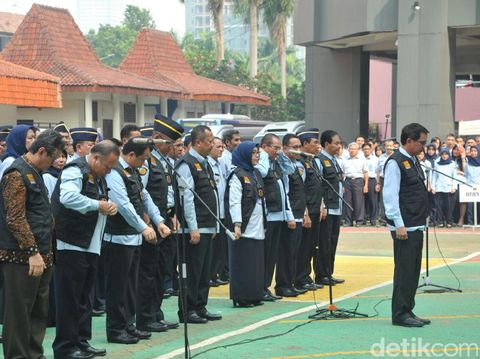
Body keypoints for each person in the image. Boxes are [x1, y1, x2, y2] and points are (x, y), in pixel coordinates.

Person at [52, 141, 120, 359]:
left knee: (84, 298)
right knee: (70, 298)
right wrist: (97, 205)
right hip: (70, 242)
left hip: (89, 243)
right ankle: (65, 347)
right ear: (96, 158)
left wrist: (106, 206)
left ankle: (81, 341)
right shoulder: (75, 170)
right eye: (108, 166)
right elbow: (67, 197)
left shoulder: (97, 175)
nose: (109, 171)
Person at [0, 130, 65, 358]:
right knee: (19, 314)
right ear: (41, 151)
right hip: (21, 258)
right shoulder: (16, 174)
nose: (54, 163)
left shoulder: (35, 172)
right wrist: (32, 252)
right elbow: (15, 218)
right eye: (52, 157)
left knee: (38, 313)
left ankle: (34, 355)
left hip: (42, 255)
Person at [103, 138, 170, 344]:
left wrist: (158, 221)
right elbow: (123, 204)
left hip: (131, 238)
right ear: (131, 155)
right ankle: (116, 329)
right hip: (118, 238)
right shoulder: (114, 173)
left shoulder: (131, 172)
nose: (144, 163)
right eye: (143, 159)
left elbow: (144, 196)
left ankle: (128, 325)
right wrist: (143, 227)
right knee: (118, 287)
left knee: (131, 286)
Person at [136, 116, 183, 333]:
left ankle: (156, 313)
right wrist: (147, 221)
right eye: (169, 143)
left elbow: (169, 193)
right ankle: (146, 317)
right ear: (156, 138)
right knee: (149, 273)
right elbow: (141, 194)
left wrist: (172, 215)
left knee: (161, 270)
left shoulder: (163, 161)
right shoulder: (146, 161)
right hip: (151, 226)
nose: (172, 147)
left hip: (164, 222)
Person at [383, 123, 430, 327]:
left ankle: (408, 308)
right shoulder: (395, 162)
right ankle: (400, 314)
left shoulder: (413, 160)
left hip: (416, 223)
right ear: (409, 140)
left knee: (413, 270)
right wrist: (398, 223)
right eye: (421, 142)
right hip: (405, 226)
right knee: (404, 270)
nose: (423, 146)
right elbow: (390, 196)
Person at [175, 125, 222, 324]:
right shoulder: (186, 164)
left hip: (208, 225)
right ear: (197, 143)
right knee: (193, 271)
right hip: (194, 227)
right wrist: (193, 227)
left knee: (205, 271)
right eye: (209, 141)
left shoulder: (205, 163)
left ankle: (201, 305)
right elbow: (188, 199)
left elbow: (212, 195)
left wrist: (215, 225)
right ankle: (188, 309)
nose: (212, 144)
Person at [225, 141, 266, 307]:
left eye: (258, 152)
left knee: (255, 262)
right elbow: (234, 201)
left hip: (257, 224)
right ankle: (241, 297)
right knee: (243, 262)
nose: (257, 155)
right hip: (244, 223)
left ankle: (254, 294)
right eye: (253, 153)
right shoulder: (237, 174)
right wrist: (237, 223)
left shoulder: (255, 172)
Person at [256, 133, 296, 301]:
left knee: (273, 255)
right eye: (275, 148)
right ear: (264, 147)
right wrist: (264, 155)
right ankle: (262, 287)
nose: (278, 152)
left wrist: (280, 156)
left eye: (280, 148)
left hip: (279, 214)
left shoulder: (277, 163)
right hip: (269, 215)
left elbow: (291, 170)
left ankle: (266, 287)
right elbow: (263, 172)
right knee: (266, 255)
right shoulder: (262, 163)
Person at [275, 134, 308, 297]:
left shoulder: (299, 164)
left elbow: (302, 190)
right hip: (291, 214)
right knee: (287, 252)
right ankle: (283, 285)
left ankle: (291, 282)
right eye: (294, 147)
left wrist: (305, 213)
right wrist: (290, 216)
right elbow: (286, 192)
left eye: (299, 146)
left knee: (295, 251)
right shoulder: (283, 165)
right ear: (285, 148)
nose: (298, 150)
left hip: (299, 212)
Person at [315, 130, 345, 286]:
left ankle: (329, 272)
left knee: (333, 241)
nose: (339, 146)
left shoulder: (334, 160)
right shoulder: (320, 160)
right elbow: (318, 186)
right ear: (326, 144)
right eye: (336, 143)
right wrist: (323, 205)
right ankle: (321, 275)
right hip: (327, 207)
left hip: (336, 207)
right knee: (324, 242)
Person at [294, 129, 321, 292]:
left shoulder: (312, 161)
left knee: (311, 246)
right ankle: (300, 278)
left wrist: (322, 205)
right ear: (304, 144)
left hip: (316, 207)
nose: (317, 146)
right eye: (314, 143)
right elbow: (301, 190)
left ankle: (306, 276)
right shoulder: (300, 162)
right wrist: (305, 213)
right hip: (307, 210)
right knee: (303, 247)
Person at [208, 137, 230, 287]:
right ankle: (209, 274)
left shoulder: (221, 163)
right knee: (211, 246)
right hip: (212, 212)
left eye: (222, 147)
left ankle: (215, 273)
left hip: (222, 210)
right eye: (218, 147)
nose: (221, 149)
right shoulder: (207, 163)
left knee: (220, 247)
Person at [342, 142, 368, 226]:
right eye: (350, 149)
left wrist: (366, 185)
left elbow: (366, 173)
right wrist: (342, 185)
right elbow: (342, 173)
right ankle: (348, 221)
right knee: (347, 201)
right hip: (347, 181)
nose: (352, 151)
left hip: (358, 181)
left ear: (358, 150)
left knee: (359, 201)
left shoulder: (362, 160)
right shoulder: (345, 160)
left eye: (354, 149)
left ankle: (359, 221)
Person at [431, 148, 457, 228]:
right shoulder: (437, 163)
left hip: (449, 188)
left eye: (446, 154)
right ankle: (440, 222)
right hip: (439, 187)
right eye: (443, 154)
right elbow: (434, 176)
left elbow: (454, 176)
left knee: (449, 206)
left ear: (448, 155)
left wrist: (454, 187)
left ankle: (449, 222)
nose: (444, 156)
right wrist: (433, 187)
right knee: (439, 206)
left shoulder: (452, 163)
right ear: (441, 155)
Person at [363, 143, 379, 226]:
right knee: (363, 201)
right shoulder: (360, 158)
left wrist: (378, 183)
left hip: (372, 180)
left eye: (368, 149)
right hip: (361, 181)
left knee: (373, 201)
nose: (366, 150)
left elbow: (377, 172)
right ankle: (364, 219)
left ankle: (373, 219)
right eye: (364, 149)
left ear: (371, 150)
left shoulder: (375, 159)